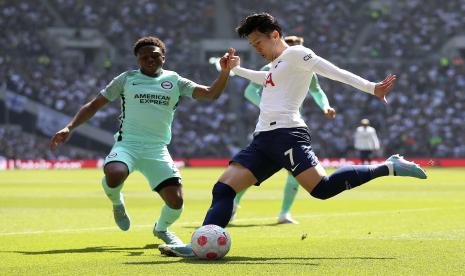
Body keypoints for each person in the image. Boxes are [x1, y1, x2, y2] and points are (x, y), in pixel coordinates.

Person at [158, 13, 427, 257]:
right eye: (252, 46)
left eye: (257, 43)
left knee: (321, 190)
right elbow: (266, 81)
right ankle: (202, 242)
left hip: (287, 134)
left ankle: (389, 166)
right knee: (224, 188)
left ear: (274, 35)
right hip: (263, 139)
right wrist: (234, 70)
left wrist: (372, 87)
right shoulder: (276, 65)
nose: (257, 50)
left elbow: (331, 71)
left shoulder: (298, 53)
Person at [50, 36, 232, 245]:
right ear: (138, 60)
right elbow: (93, 105)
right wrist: (69, 127)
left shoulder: (175, 80)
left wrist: (225, 72)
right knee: (115, 174)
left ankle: (161, 229)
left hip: (157, 149)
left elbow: (210, 94)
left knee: (176, 202)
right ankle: (117, 202)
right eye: (144, 57)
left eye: (154, 56)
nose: (150, 60)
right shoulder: (126, 79)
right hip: (128, 144)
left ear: (163, 57)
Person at [231, 35, 336, 225]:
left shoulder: (307, 70)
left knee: (296, 172)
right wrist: (265, 106)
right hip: (270, 127)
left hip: (292, 126)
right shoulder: (270, 68)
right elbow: (249, 92)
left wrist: (325, 106)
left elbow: (317, 92)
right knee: (252, 171)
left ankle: (284, 213)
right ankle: (233, 206)